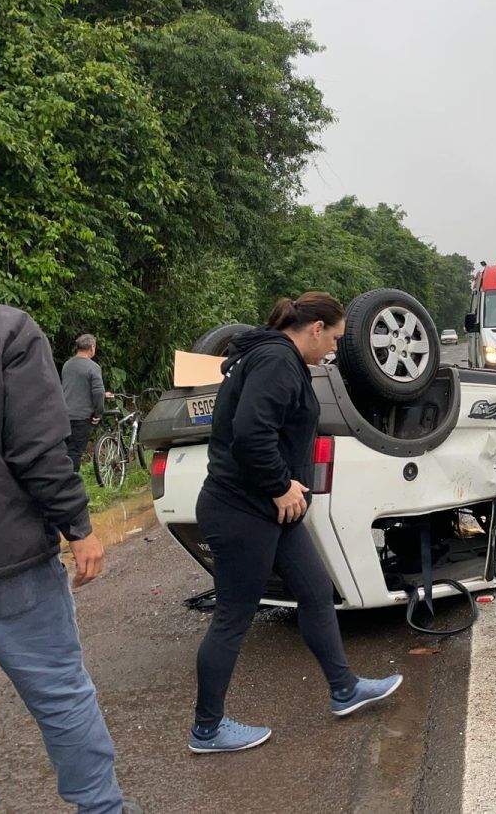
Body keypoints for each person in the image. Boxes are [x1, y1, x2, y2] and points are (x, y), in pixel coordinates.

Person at [190, 292, 403, 754]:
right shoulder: (276, 362)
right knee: (232, 617)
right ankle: (207, 729)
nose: (332, 349)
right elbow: (251, 434)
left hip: (273, 510)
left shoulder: (273, 356)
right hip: (242, 509)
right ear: (314, 329)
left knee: (315, 592)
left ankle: (344, 688)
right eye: (333, 339)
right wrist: (279, 485)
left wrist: (282, 492)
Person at [0, 220, 125, 812]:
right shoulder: (6, 329)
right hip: (9, 560)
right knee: (60, 695)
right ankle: (101, 808)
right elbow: (36, 449)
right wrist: (79, 527)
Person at [63, 334, 106, 467]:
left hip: (63, 416)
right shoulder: (93, 367)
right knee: (75, 452)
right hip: (81, 417)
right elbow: (97, 392)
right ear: (91, 348)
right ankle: (69, 483)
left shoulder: (67, 365)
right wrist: (98, 413)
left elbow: (75, 387)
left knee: (63, 452)